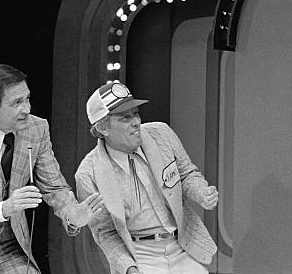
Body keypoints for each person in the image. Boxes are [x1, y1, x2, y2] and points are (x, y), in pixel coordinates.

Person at [0, 64, 104, 273]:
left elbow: (54, 188)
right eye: (16, 103)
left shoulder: (37, 128)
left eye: (27, 99)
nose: (27, 109)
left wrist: (71, 212)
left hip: (8, 250)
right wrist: (3, 209)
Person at [75, 82, 218, 274]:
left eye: (135, 113)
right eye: (125, 117)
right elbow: (105, 233)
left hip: (183, 246)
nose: (136, 122)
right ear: (102, 128)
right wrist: (129, 268)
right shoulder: (88, 174)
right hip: (139, 256)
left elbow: (187, 175)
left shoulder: (162, 133)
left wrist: (201, 192)